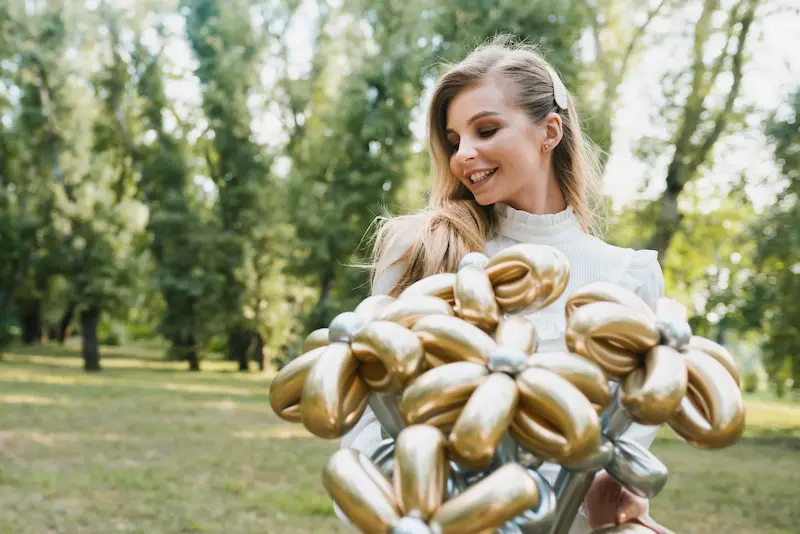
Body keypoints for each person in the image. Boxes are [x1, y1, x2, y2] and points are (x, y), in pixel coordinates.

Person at [338, 36, 673, 534]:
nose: (463, 155)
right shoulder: (424, 248)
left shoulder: (630, 278)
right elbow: (367, 431)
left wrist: (617, 497)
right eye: (453, 141)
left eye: (486, 130)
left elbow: (614, 454)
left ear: (550, 131)